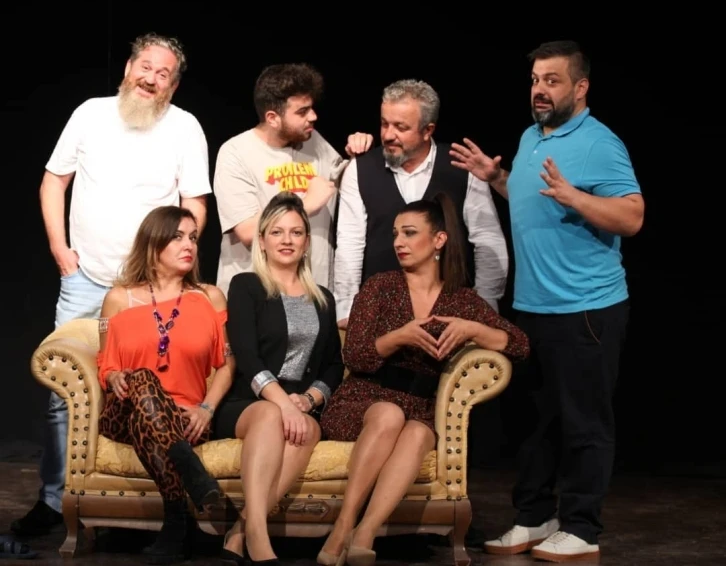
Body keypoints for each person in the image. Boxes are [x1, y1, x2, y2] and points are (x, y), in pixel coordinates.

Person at [451, 40, 644, 562]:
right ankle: (535, 517)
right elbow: (533, 199)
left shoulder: (600, 143)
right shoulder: (530, 136)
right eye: (535, 80)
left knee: (585, 424)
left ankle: (582, 529)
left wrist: (577, 196)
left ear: (580, 88)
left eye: (552, 80)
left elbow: (632, 216)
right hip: (534, 308)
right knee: (534, 424)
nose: (539, 89)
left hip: (587, 309)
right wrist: (496, 178)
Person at [13, 33, 213, 537]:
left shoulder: (185, 127)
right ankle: (55, 500)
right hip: (87, 281)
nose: (151, 78)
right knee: (63, 391)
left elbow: (194, 204)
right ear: (128, 67)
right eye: (145, 66)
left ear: (173, 85)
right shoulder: (90, 113)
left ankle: (147, 502)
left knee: (150, 388)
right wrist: (61, 251)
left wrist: (174, 272)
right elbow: (54, 180)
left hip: (152, 291)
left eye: (163, 73)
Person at [317, 192, 530, 565]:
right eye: (396, 234)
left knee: (417, 432)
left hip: (420, 406)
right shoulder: (380, 287)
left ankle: (365, 532)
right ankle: (343, 525)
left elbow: (520, 345)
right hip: (365, 398)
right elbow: (355, 356)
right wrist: (399, 337)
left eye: (410, 233)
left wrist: (473, 329)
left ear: (439, 240)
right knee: (389, 414)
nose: (398, 242)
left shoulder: (461, 301)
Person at [213, 192, 345, 565]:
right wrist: (283, 404)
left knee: (307, 427)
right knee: (273, 415)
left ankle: (240, 530)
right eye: (276, 232)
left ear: (306, 242)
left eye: (296, 232)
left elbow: (333, 366)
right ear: (263, 241)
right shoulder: (246, 286)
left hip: (299, 404)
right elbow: (247, 356)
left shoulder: (323, 298)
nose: (286, 240)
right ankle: (258, 535)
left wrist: (309, 400)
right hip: (247, 402)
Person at [96, 205, 234, 564]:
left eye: (193, 238)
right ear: (153, 243)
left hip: (186, 419)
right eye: (177, 237)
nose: (189, 245)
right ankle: (193, 475)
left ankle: (176, 521)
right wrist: (113, 376)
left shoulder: (209, 297)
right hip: (123, 413)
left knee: (150, 414)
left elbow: (227, 364)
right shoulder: (118, 299)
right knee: (142, 377)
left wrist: (207, 409)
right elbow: (105, 364)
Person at [333, 78, 509, 332]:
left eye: (400, 127)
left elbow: (487, 239)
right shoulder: (360, 169)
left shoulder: (462, 167)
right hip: (381, 312)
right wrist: (347, 308)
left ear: (428, 130)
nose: (388, 135)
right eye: (384, 123)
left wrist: (486, 305)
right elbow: (350, 243)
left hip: (450, 314)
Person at [213, 62, 372, 297]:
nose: (313, 116)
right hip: (258, 296)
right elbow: (247, 231)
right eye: (302, 112)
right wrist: (306, 204)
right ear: (272, 118)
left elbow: (348, 186)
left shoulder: (315, 142)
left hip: (311, 290)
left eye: (312, 108)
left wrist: (360, 155)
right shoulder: (236, 152)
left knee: (307, 322)